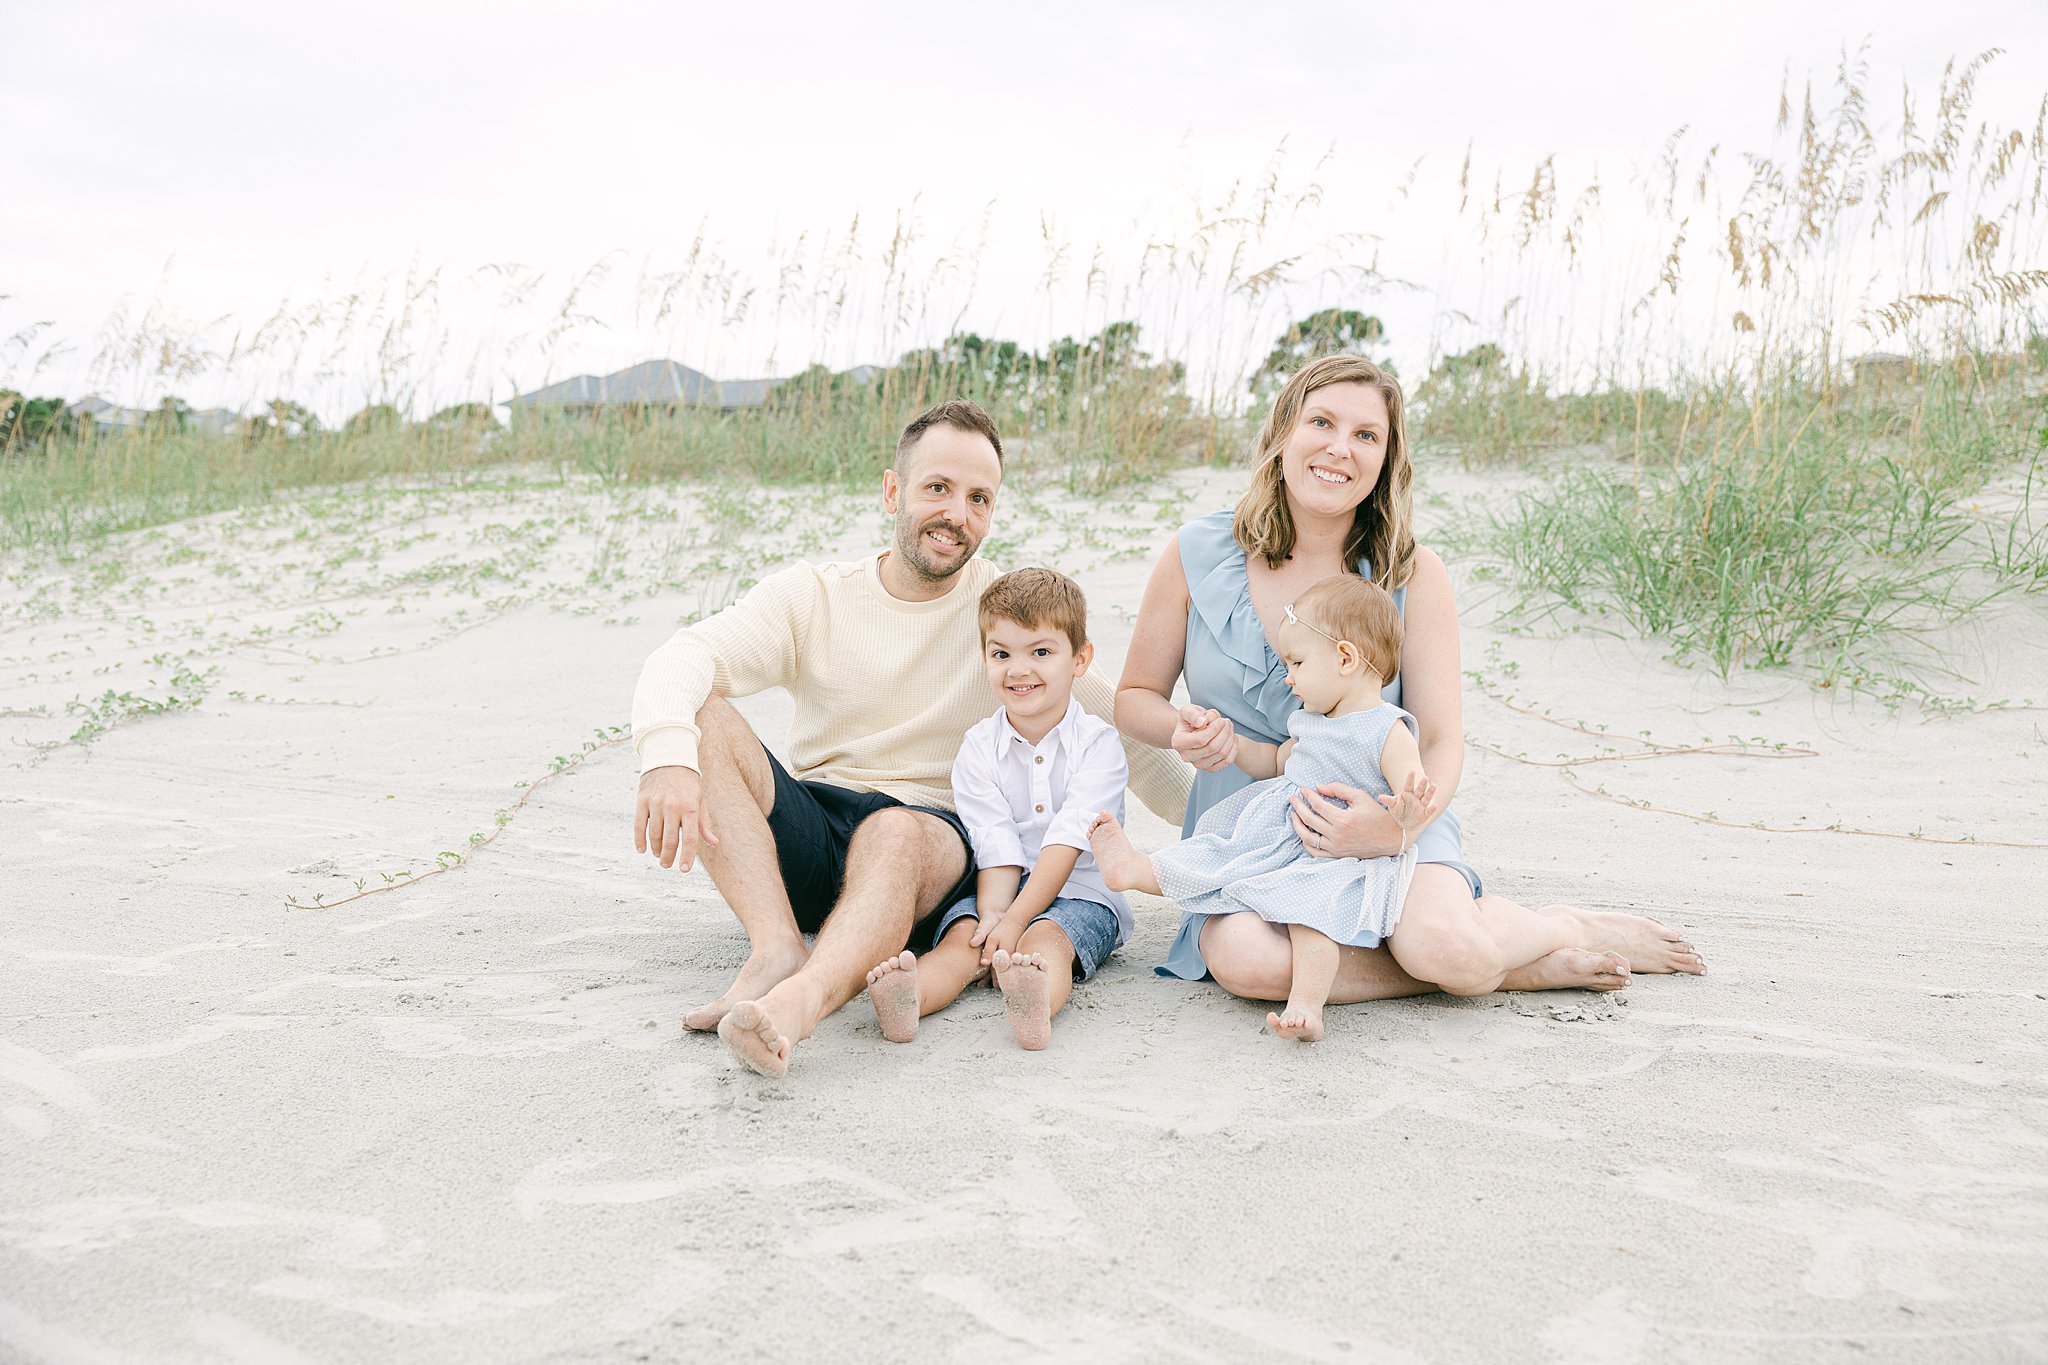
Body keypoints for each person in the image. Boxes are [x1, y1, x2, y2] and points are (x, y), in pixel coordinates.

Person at [1113, 353, 1705, 1005]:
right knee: (1251, 965)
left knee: (1447, 948)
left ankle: (1554, 927)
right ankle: (1512, 965)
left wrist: (1396, 830)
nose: (1340, 448)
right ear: (1283, 432)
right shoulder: (1197, 551)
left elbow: (1443, 739)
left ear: (1386, 458)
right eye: (1322, 421)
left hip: (1387, 818)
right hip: (1247, 833)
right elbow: (1134, 699)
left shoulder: (1413, 573)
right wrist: (1183, 729)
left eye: (1366, 435)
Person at [630, 400, 1187, 1078]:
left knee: (896, 829)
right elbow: (682, 655)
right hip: (817, 827)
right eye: (938, 488)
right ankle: (777, 946)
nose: (957, 513)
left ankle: (796, 1007)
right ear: (893, 490)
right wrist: (666, 758)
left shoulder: (1002, 618)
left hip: (926, 848)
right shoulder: (813, 596)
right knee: (705, 713)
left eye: (979, 498)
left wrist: (1229, 837)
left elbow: (1118, 730)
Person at [864, 567, 1130, 1051]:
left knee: (1045, 942)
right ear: (984, 657)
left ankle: (1034, 1001)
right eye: (1002, 654)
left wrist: (1016, 922)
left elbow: (1067, 842)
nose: (1019, 670)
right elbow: (995, 841)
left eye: (1041, 652)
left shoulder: (1099, 744)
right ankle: (910, 997)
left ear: (1080, 659)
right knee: (963, 939)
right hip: (1000, 888)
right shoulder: (979, 746)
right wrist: (993, 916)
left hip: (1083, 893)